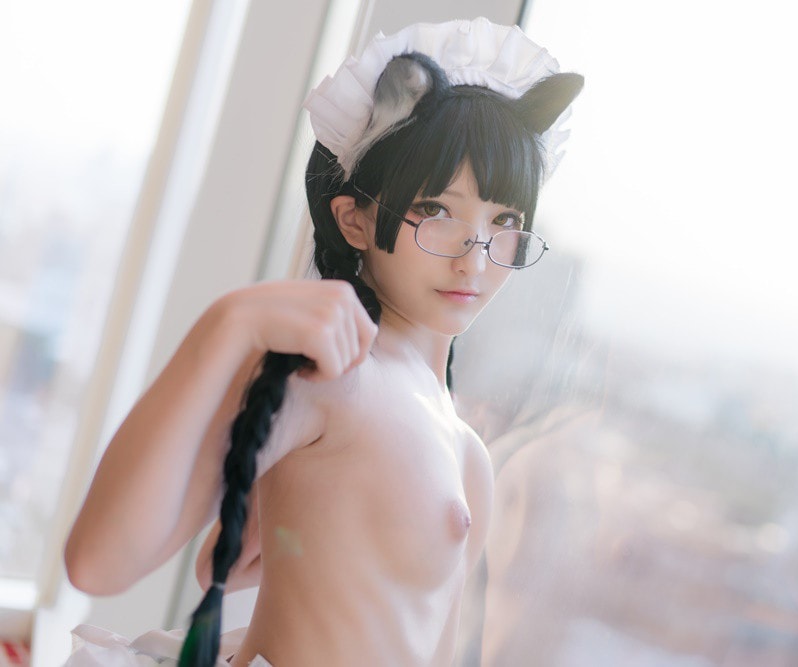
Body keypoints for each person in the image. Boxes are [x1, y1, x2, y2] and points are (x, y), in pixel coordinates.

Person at [60, 17, 582, 667]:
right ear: (354, 219)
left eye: (504, 220)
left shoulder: (467, 452)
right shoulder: (330, 376)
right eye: (436, 211)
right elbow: (98, 563)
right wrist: (228, 324)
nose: (474, 260)